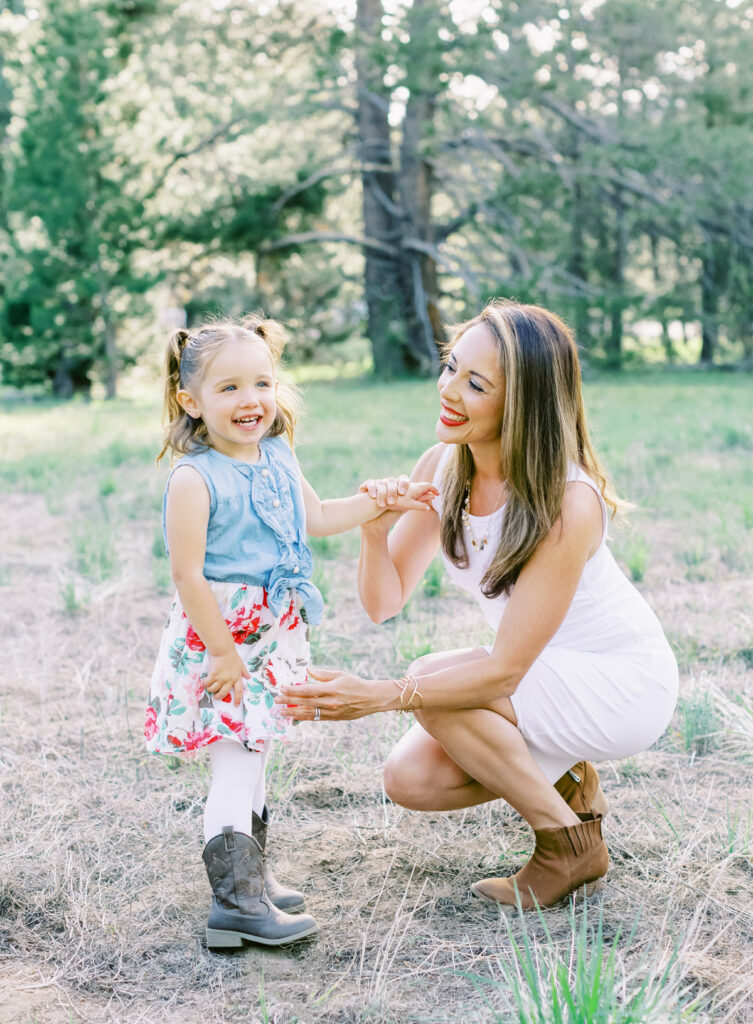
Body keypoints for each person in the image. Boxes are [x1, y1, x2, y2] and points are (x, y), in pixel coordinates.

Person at [275, 300, 679, 911]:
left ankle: (565, 844)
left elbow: (502, 673)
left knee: (429, 680)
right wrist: (374, 531)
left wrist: (378, 696)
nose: (449, 390)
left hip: (620, 683)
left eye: (476, 383)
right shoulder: (443, 464)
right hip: (536, 679)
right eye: (450, 367)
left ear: (522, 404)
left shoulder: (567, 501)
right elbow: (384, 603)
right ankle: (571, 785)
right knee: (409, 779)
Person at [145, 315, 436, 949]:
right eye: (228, 389)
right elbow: (187, 575)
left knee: (256, 756)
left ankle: (251, 880)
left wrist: (386, 502)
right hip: (224, 642)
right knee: (234, 762)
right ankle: (235, 904)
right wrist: (222, 650)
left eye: (261, 383)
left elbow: (322, 516)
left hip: (272, 634)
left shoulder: (276, 453)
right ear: (189, 402)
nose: (250, 401)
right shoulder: (194, 479)